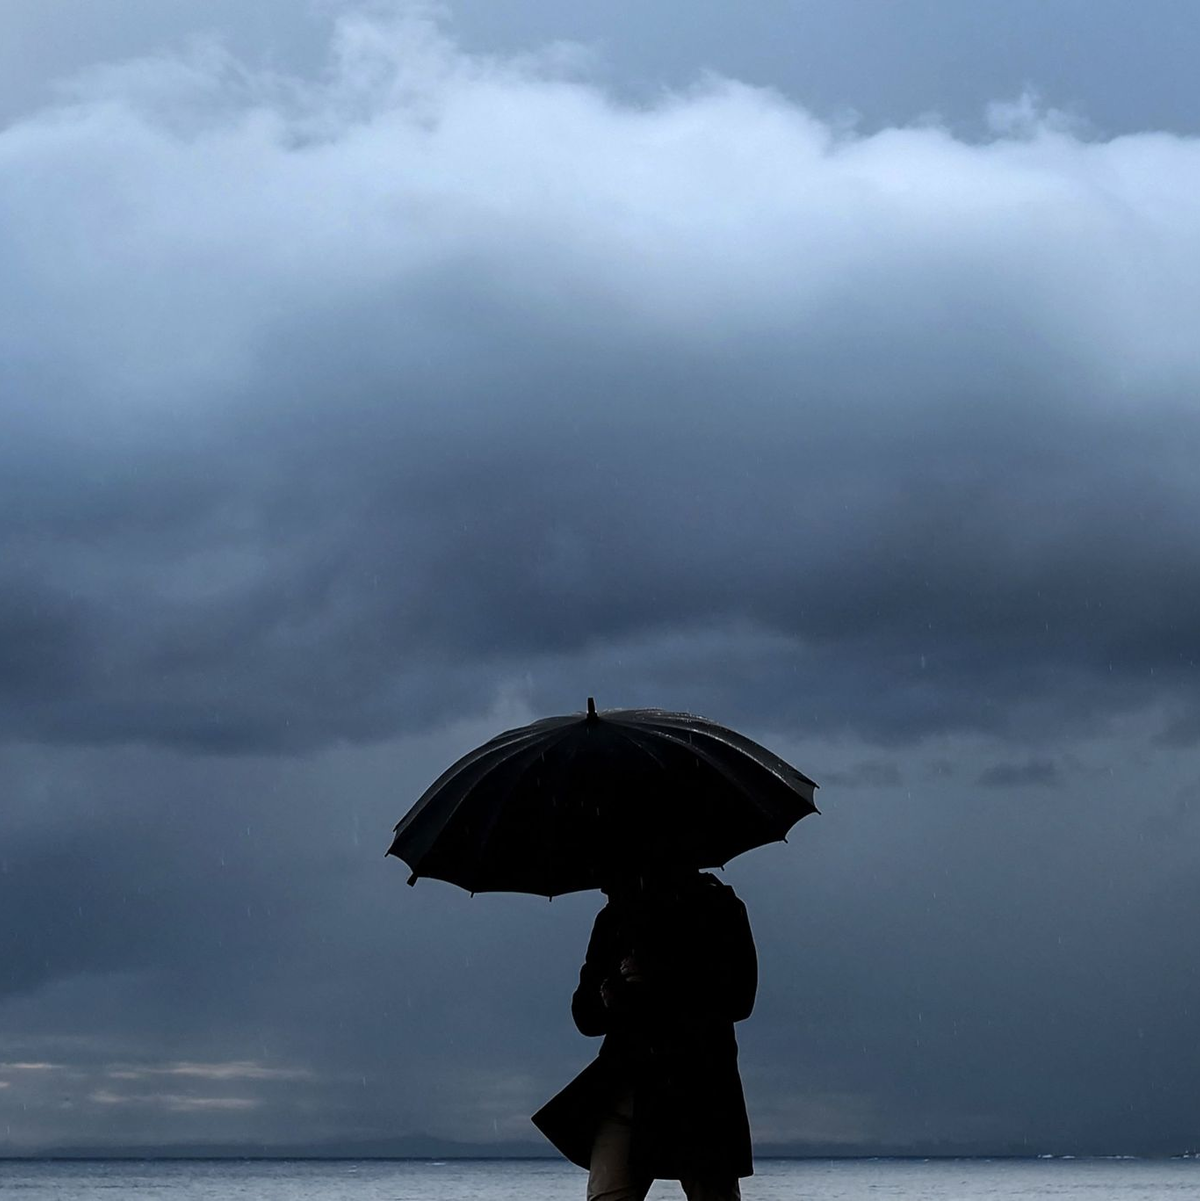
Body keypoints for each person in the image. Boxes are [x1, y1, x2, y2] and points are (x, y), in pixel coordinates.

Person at [532, 862, 757, 1201]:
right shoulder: (613, 920)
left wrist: (658, 979)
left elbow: (739, 999)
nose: (602, 886)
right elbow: (584, 1015)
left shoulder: (718, 908)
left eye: (609, 874)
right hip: (634, 1084)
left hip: (700, 1088)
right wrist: (613, 994)